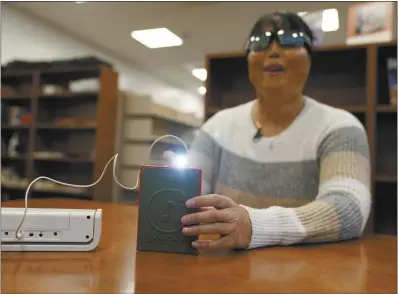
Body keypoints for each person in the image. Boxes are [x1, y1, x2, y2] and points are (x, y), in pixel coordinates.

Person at [168, 11, 371, 251]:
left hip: (308, 278)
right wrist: (168, 188)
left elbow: (349, 208)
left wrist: (255, 225)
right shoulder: (217, 127)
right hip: (224, 275)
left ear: (309, 58)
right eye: (259, 42)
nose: (273, 51)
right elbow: (190, 198)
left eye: (291, 40)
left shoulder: (340, 127)